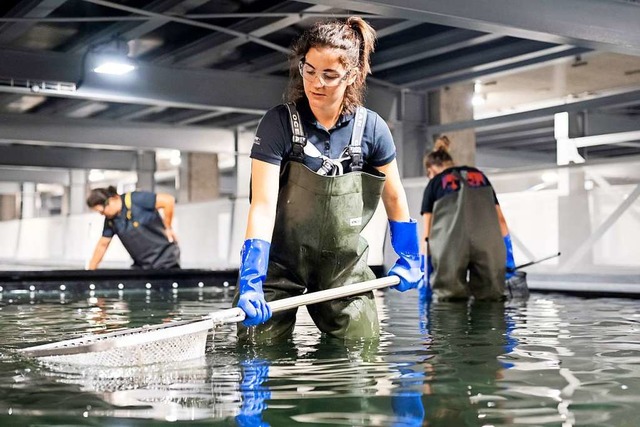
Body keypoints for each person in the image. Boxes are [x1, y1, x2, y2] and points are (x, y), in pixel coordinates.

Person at [234, 16, 423, 342]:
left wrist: (408, 256)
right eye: (309, 70)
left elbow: (394, 197)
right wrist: (251, 278)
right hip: (279, 267)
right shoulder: (277, 124)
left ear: (351, 75)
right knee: (256, 349)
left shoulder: (373, 129)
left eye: (329, 75)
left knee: (361, 351)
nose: (316, 82)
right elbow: (262, 206)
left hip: (344, 268)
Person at [420, 136, 516, 301]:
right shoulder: (480, 176)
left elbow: (427, 235)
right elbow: (500, 220)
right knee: (491, 300)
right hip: (488, 245)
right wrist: (508, 256)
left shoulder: (434, 183)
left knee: (450, 302)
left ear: (431, 170)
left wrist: (425, 269)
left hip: (450, 248)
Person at [86, 186, 180, 270]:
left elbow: (168, 201)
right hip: (142, 265)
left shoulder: (135, 199)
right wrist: (90, 272)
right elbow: (102, 245)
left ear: (112, 199)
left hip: (165, 259)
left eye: (102, 211)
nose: (103, 215)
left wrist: (168, 227)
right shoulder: (111, 220)